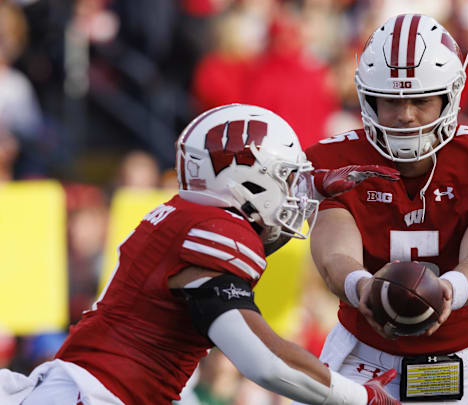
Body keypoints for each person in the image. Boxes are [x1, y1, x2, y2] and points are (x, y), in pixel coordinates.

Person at [0, 104, 403, 405]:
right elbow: (264, 361)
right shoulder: (218, 231)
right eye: (286, 178)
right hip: (95, 395)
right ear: (246, 179)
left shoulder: (185, 213)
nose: (297, 192)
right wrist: (361, 397)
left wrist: (312, 185)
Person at [299, 14, 468, 404]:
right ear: (368, 98)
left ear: (449, 96)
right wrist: (364, 287)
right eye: (391, 100)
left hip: (465, 361)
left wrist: (445, 291)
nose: (405, 115)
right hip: (362, 358)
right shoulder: (332, 159)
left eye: (420, 99)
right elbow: (334, 252)